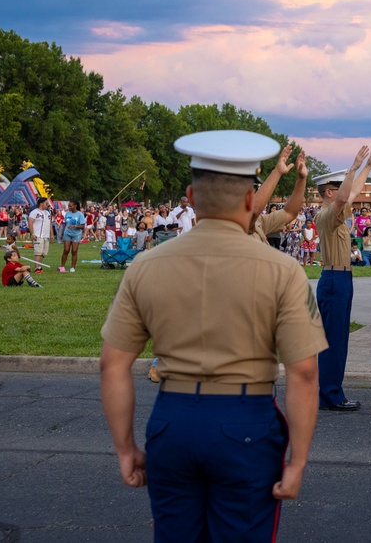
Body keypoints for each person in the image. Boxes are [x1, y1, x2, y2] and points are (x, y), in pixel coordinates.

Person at [99, 129, 327, 543]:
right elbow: (305, 372)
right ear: (247, 200)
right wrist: (298, 460)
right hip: (246, 420)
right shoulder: (282, 270)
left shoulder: (145, 266)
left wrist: (125, 447)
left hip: (173, 420)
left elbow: (112, 363)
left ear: (190, 196)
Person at [313, 145, 371, 412]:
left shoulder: (336, 213)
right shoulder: (327, 214)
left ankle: (330, 392)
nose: (346, 190)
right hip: (334, 279)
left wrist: (367, 167)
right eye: (339, 187)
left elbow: (350, 193)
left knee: (338, 338)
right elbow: (344, 199)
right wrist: (352, 167)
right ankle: (331, 395)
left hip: (341, 279)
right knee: (334, 340)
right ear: (330, 192)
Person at [26, 197, 53, 273]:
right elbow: (30, 223)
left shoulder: (47, 212)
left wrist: (52, 234)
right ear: (41, 203)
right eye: (46, 203)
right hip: (38, 235)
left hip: (46, 236)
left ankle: (39, 266)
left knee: (43, 252)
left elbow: (49, 223)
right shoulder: (34, 212)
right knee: (38, 252)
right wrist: (33, 233)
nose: (47, 205)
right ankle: (37, 268)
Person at [59, 201, 85, 272]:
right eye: (69, 206)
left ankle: (72, 267)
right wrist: (61, 234)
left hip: (76, 234)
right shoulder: (67, 213)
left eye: (71, 206)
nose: (69, 207)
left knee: (74, 251)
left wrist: (75, 226)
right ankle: (62, 267)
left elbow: (83, 226)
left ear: (75, 206)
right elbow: (64, 224)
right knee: (66, 250)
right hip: (67, 233)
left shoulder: (80, 214)